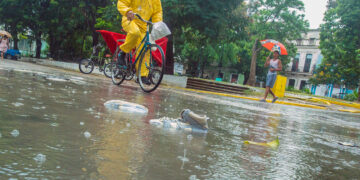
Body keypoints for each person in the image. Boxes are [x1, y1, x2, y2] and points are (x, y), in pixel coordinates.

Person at [117, 0, 163, 84]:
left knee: (144, 49)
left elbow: (157, 12)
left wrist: (157, 24)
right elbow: (122, 2)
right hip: (130, 19)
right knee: (135, 32)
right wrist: (127, 11)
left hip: (143, 25)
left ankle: (141, 76)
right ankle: (122, 52)